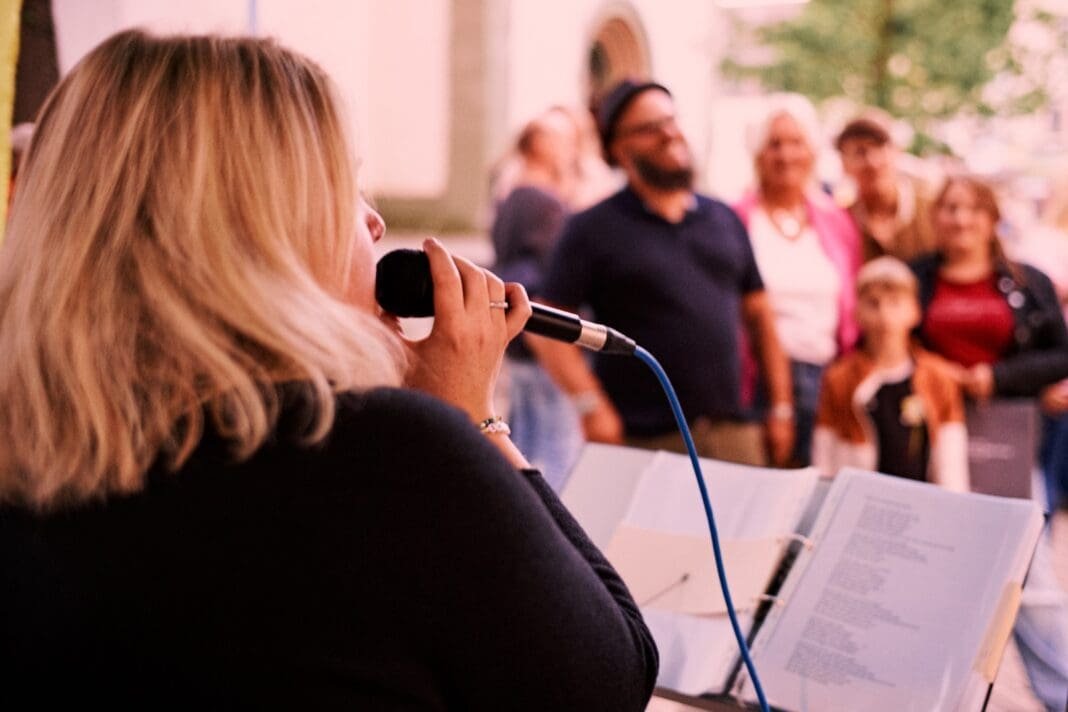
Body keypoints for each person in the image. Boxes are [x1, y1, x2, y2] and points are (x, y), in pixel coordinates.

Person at [0, 30, 658, 709]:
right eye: (345, 185)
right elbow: (606, 683)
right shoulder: (383, 453)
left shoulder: (29, 450)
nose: (374, 223)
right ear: (251, 228)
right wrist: (472, 418)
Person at [531, 79, 794, 466]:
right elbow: (546, 329)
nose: (669, 133)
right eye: (650, 127)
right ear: (619, 148)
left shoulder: (724, 217)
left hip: (735, 435)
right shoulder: (591, 228)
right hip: (644, 440)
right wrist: (590, 405)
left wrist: (781, 408)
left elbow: (761, 318)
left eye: (671, 120)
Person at [912, 175, 1068, 711]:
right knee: (935, 569)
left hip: (1012, 440)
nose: (960, 219)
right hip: (936, 437)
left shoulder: (1028, 281)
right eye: (950, 208)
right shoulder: (917, 278)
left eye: (972, 209)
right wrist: (934, 369)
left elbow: (1059, 354)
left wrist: (996, 378)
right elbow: (886, 335)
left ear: (990, 217)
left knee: (1031, 570)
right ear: (936, 216)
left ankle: (1062, 692)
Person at [733, 94, 861, 466]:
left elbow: (850, 304)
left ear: (812, 151)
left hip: (825, 378)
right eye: (774, 144)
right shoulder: (737, 218)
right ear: (758, 154)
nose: (786, 155)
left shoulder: (836, 221)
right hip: (755, 379)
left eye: (796, 143)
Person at [812, 257, 968, 491]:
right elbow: (824, 455)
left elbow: (952, 460)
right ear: (857, 313)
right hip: (860, 501)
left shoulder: (938, 376)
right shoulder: (839, 378)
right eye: (873, 303)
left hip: (923, 503)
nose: (884, 314)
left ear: (914, 311)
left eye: (895, 303)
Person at [491, 109, 584, 489]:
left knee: (523, 440)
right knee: (558, 447)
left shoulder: (510, 193)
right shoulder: (543, 200)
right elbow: (555, 274)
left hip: (518, 333)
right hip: (543, 337)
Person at [835, 114, 939, 263]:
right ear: (844, 163)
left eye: (880, 147)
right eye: (860, 152)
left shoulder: (933, 209)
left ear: (897, 151)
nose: (873, 162)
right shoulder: (842, 220)